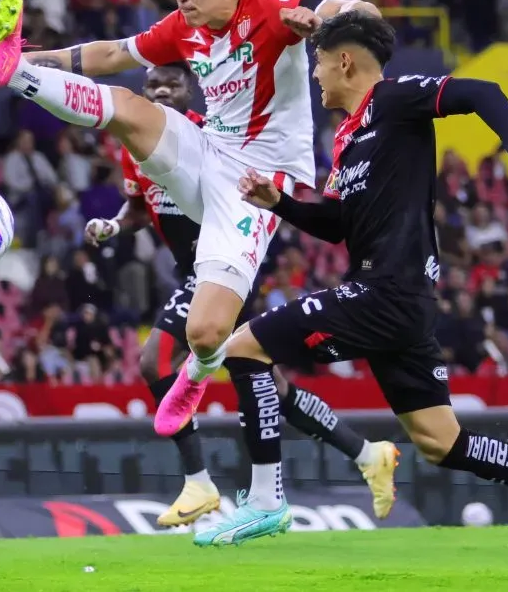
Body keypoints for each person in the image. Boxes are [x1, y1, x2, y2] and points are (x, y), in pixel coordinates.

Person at [164, 12, 508, 570]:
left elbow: (482, 91)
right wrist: (279, 203)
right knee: (439, 440)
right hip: (397, 298)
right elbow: (338, 224)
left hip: (388, 291)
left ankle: (265, 499)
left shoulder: (393, 100)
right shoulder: (348, 136)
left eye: (319, 64)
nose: (317, 77)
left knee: (240, 348)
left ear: (344, 61)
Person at [0, 0, 383, 422]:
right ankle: (13, 71)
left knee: (206, 334)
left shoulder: (275, 8)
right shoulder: (183, 28)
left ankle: (200, 370)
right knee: (129, 108)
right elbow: (107, 56)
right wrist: (31, 59)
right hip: (206, 150)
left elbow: (367, 13)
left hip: (257, 184)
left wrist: (322, 23)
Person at [84, 62, 396, 527]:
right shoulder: (137, 141)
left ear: (191, 91)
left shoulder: (205, 139)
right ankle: (368, 453)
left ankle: (199, 482)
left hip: (224, 269)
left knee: (155, 361)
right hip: (195, 271)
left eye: (173, 83)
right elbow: (138, 204)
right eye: (153, 84)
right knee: (271, 385)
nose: (162, 91)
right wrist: (114, 224)